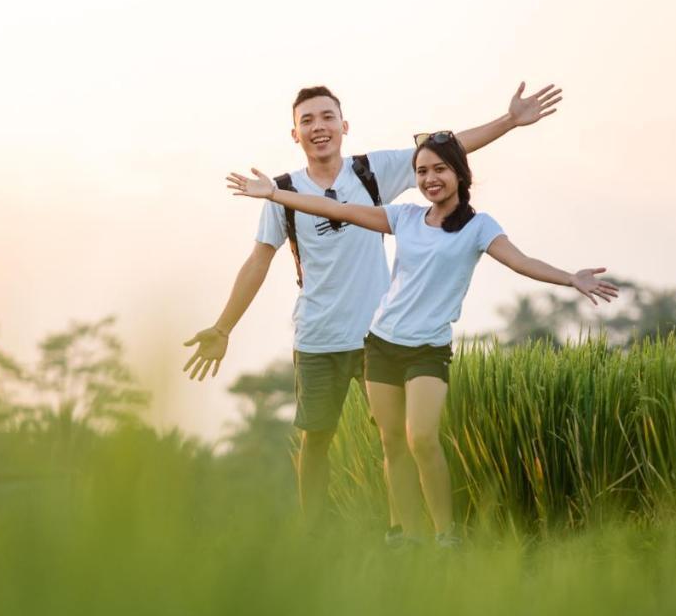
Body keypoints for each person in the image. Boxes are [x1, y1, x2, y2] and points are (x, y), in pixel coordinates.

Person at [184, 83, 563, 528]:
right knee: (316, 439)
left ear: (343, 126)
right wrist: (224, 327)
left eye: (327, 117)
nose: (318, 127)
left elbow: (447, 150)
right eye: (307, 120)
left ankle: (404, 530)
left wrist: (509, 122)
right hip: (318, 335)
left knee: (398, 439)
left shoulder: (370, 172)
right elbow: (257, 262)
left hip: (381, 336)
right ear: (295, 134)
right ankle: (315, 536)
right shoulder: (280, 192)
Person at [226, 131, 618, 546]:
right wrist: (274, 194)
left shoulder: (479, 227)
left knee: (422, 437)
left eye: (440, 170)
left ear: (460, 174)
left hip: (428, 348)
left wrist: (570, 278)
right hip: (381, 343)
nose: (430, 179)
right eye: (422, 172)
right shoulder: (405, 217)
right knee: (392, 441)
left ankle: (445, 535)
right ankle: (406, 538)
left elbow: (521, 262)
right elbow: (331, 206)